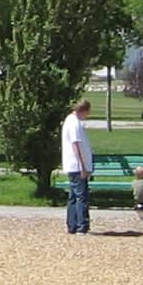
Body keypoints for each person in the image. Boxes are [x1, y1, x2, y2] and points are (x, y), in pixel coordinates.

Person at [61, 99, 94, 234]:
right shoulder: (74, 123)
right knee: (81, 196)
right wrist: (82, 165)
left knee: (74, 196)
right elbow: (76, 144)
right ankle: (82, 225)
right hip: (77, 166)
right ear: (83, 110)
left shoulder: (70, 120)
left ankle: (72, 224)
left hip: (73, 165)